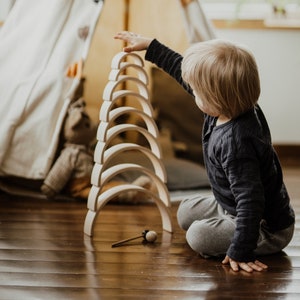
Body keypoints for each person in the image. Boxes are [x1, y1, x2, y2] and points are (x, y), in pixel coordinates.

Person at [114, 31, 295, 273]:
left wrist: (241, 250)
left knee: (198, 236)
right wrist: (151, 47)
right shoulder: (232, 103)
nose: (192, 92)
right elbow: (183, 72)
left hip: (265, 226)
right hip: (232, 206)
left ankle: (235, 235)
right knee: (186, 211)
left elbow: (251, 202)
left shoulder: (237, 144)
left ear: (215, 98)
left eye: (197, 92)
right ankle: (223, 223)